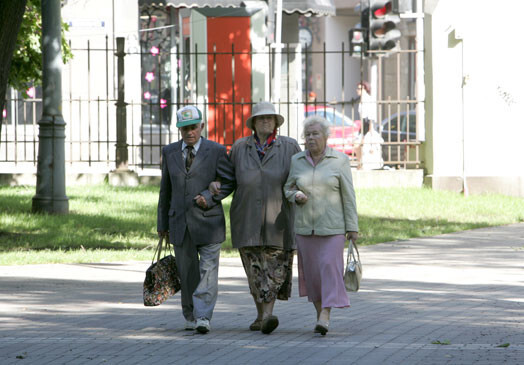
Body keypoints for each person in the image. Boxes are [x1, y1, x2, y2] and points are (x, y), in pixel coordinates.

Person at [209, 101, 301, 334]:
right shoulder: (240, 148)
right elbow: (229, 180)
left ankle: (268, 315)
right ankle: (261, 316)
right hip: (247, 218)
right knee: (254, 272)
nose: (266, 121)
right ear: (253, 123)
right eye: (261, 119)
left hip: (278, 219)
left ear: (276, 122)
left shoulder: (289, 147)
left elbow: (301, 177)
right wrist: (215, 188)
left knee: (273, 272)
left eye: (270, 118)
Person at [157, 105, 234, 334]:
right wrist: (162, 224)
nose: (189, 132)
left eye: (193, 127)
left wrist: (210, 196)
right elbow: (165, 190)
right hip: (179, 222)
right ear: (178, 130)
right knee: (187, 272)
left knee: (208, 271)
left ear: (202, 126)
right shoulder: (169, 152)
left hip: (209, 222)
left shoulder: (217, 150)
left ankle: (203, 317)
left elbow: (229, 181)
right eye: (184, 129)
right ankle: (190, 315)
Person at [284, 115, 359, 336]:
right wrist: (294, 195)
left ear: (326, 136)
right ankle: (320, 316)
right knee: (313, 276)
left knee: (328, 268)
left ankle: (325, 314)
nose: (311, 138)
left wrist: (352, 227)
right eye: (307, 134)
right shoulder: (297, 160)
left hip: (333, 228)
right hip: (305, 228)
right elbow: (287, 188)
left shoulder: (340, 160)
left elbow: (349, 196)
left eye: (315, 133)